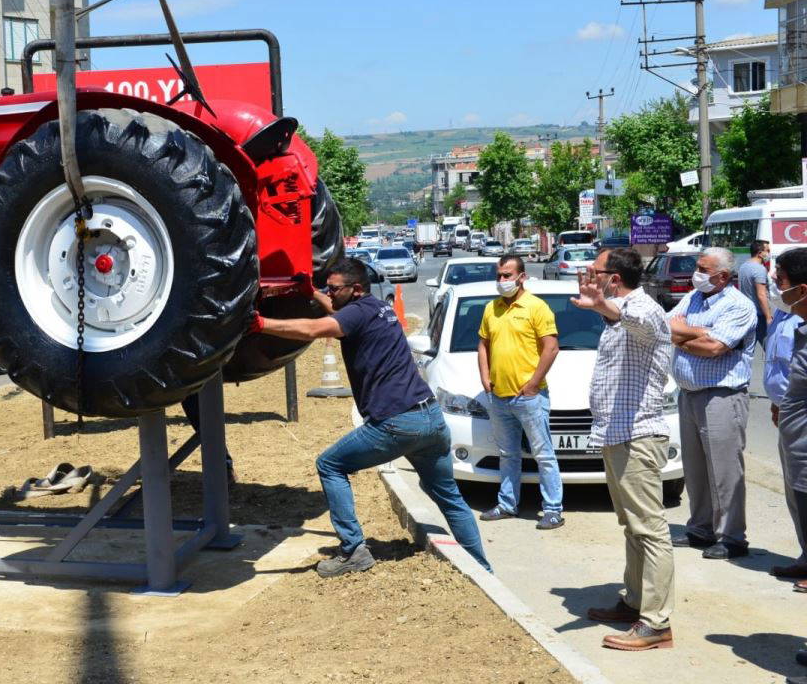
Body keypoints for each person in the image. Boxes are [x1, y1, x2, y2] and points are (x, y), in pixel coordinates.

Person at [254, 257, 491, 576]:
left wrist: (261, 324)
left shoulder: (356, 313)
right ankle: (481, 569)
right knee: (448, 496)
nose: (330, 292)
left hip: (397, 422)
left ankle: (353, 551)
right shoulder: (378, 308)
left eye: (334, 288)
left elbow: (313, 328)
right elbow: (340, 315)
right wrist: (312, 292)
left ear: (355, 289)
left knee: (330, 464)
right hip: (430, 418)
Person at [571, 248, 675, 651]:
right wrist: (603, 308)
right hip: (617, 436)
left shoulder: (643, 309)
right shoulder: (617, 313)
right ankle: (635, 603)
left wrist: (606, 307)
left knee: (650, 529)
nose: (590, 277)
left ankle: (656, 623)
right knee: (633, 526)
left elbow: (646, 324)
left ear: (614, 279)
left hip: (638, 436)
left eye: (596, 272)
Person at [667, 247, 757, 559]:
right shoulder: (693, 297)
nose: (697, 274)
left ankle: (731, 536)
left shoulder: (738, 305)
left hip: (721, 395)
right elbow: (668, 326)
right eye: (698, 267)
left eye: (703, 269)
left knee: (724, 468)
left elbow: (715, 347)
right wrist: (696, 334)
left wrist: (684, 336)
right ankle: (700, 528)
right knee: (695, 468)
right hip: (689, 393)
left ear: (722, 276)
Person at [477, 253, 564, 528]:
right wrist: (484, 377)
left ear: (522, 277)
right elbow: (483, 345)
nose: (502, 280)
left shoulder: (536, 307)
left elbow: (551, 347)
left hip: (529, 398)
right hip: (500, 397)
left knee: (543, 455)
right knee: (508, 454)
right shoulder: (492, 308)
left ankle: (552, 509)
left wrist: (533, 384)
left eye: (507, 275)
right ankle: (507, 504)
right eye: (499, 275)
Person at [765, 252, 807, 584]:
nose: (774, 284)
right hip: (790, 424)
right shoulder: (789, 317)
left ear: (802, 289)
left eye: (780, 280)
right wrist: (782, 403)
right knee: (796, 496)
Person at [737, 240, 772, 346]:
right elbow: (761, 295)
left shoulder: (743, 266)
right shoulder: (759, 269)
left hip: (746, 312)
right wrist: (768, 317)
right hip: (759, 315)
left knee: (748, 348)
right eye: (768, 251)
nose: (769, 254)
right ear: (760, 253)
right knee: (769, 347)